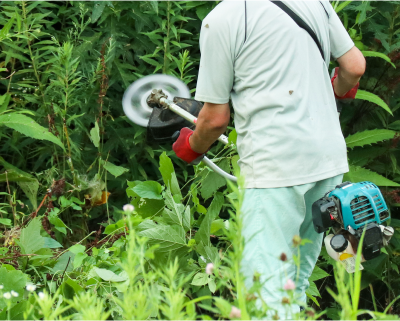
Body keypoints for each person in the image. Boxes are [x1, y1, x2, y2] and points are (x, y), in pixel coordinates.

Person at [172, 0, 366, 319]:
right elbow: (354, 67)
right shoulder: (314, 1)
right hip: (327, 161)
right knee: (295, 284)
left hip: (276, 170)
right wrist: (337, 94)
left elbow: (215, 119)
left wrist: (191, 146)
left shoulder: (222, 19)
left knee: (265, 294)